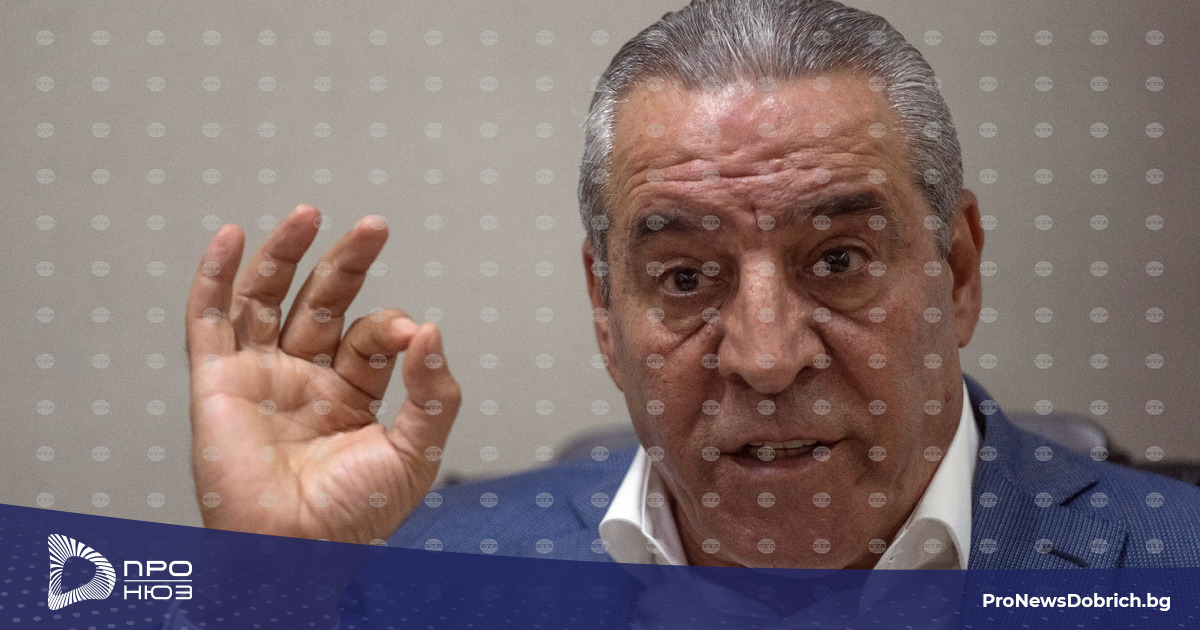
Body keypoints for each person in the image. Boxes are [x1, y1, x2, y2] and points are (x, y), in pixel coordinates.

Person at [185, 0, 1200, 574]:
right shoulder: (428, 568)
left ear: (958, 272)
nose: (766, 357)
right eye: (683, 276)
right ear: (604, 310)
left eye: (838, 260)